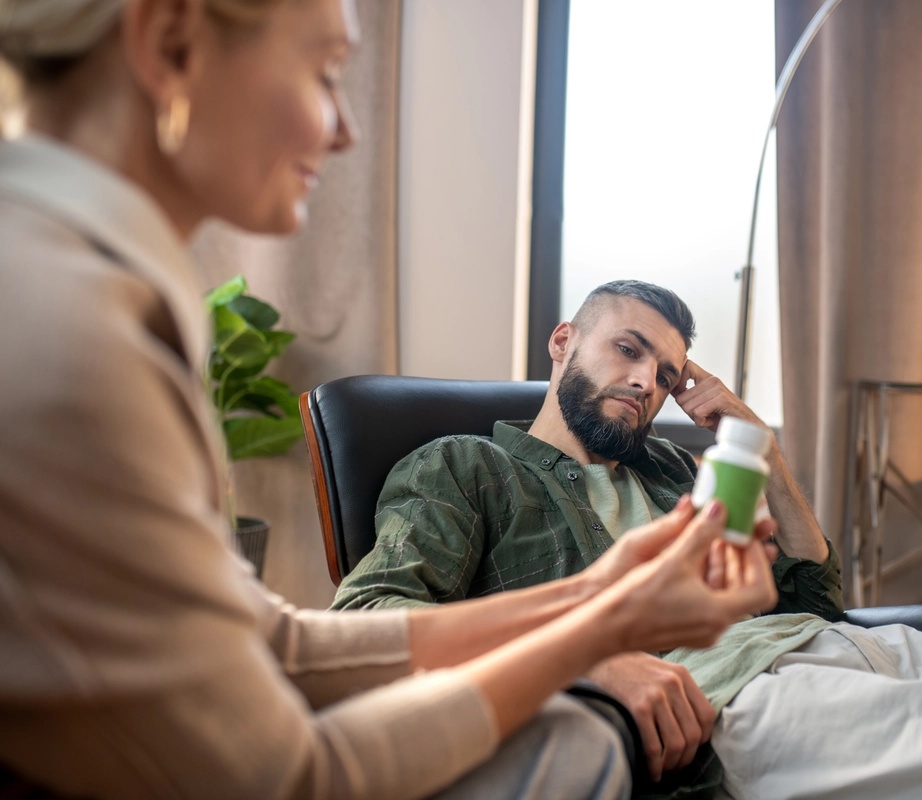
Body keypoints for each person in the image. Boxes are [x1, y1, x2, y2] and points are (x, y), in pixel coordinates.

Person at [0, 2, 783, 798]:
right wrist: (604, 633)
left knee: (575, 737)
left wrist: (598, 594)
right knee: (572, 738)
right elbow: (288, 776)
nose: (344, 130)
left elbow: (277, 645)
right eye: (325, 73)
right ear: (169, 43)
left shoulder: (77, 278)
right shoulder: (61, 328)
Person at [336, 280, 922, 799]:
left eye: (666, 372)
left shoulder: (678, 473)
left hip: (858, 649)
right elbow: (370, 615)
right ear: (564, 343)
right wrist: (581, 658)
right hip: (747, 702)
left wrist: (763, 450)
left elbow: (814, 597)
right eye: (627, 350)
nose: (645, 382)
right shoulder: (464, 466)